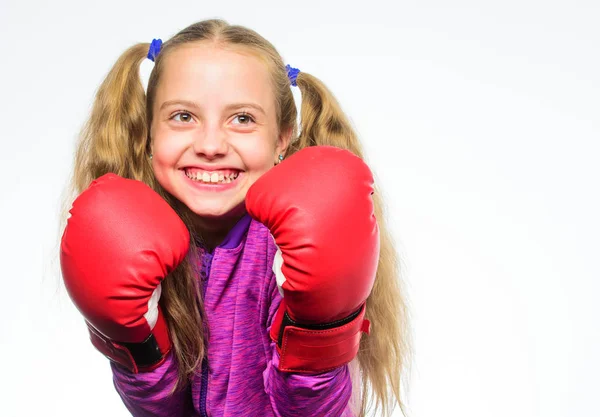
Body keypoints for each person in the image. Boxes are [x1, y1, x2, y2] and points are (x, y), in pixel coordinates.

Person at [59, 19, 412, 417]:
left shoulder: (298, 239)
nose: (211, 145)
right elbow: (163, 413)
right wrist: (135, 348)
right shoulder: (128, 232)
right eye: (183, 116)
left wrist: (317, 338)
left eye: (242, 118)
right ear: (149, 133)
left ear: (282, 137)